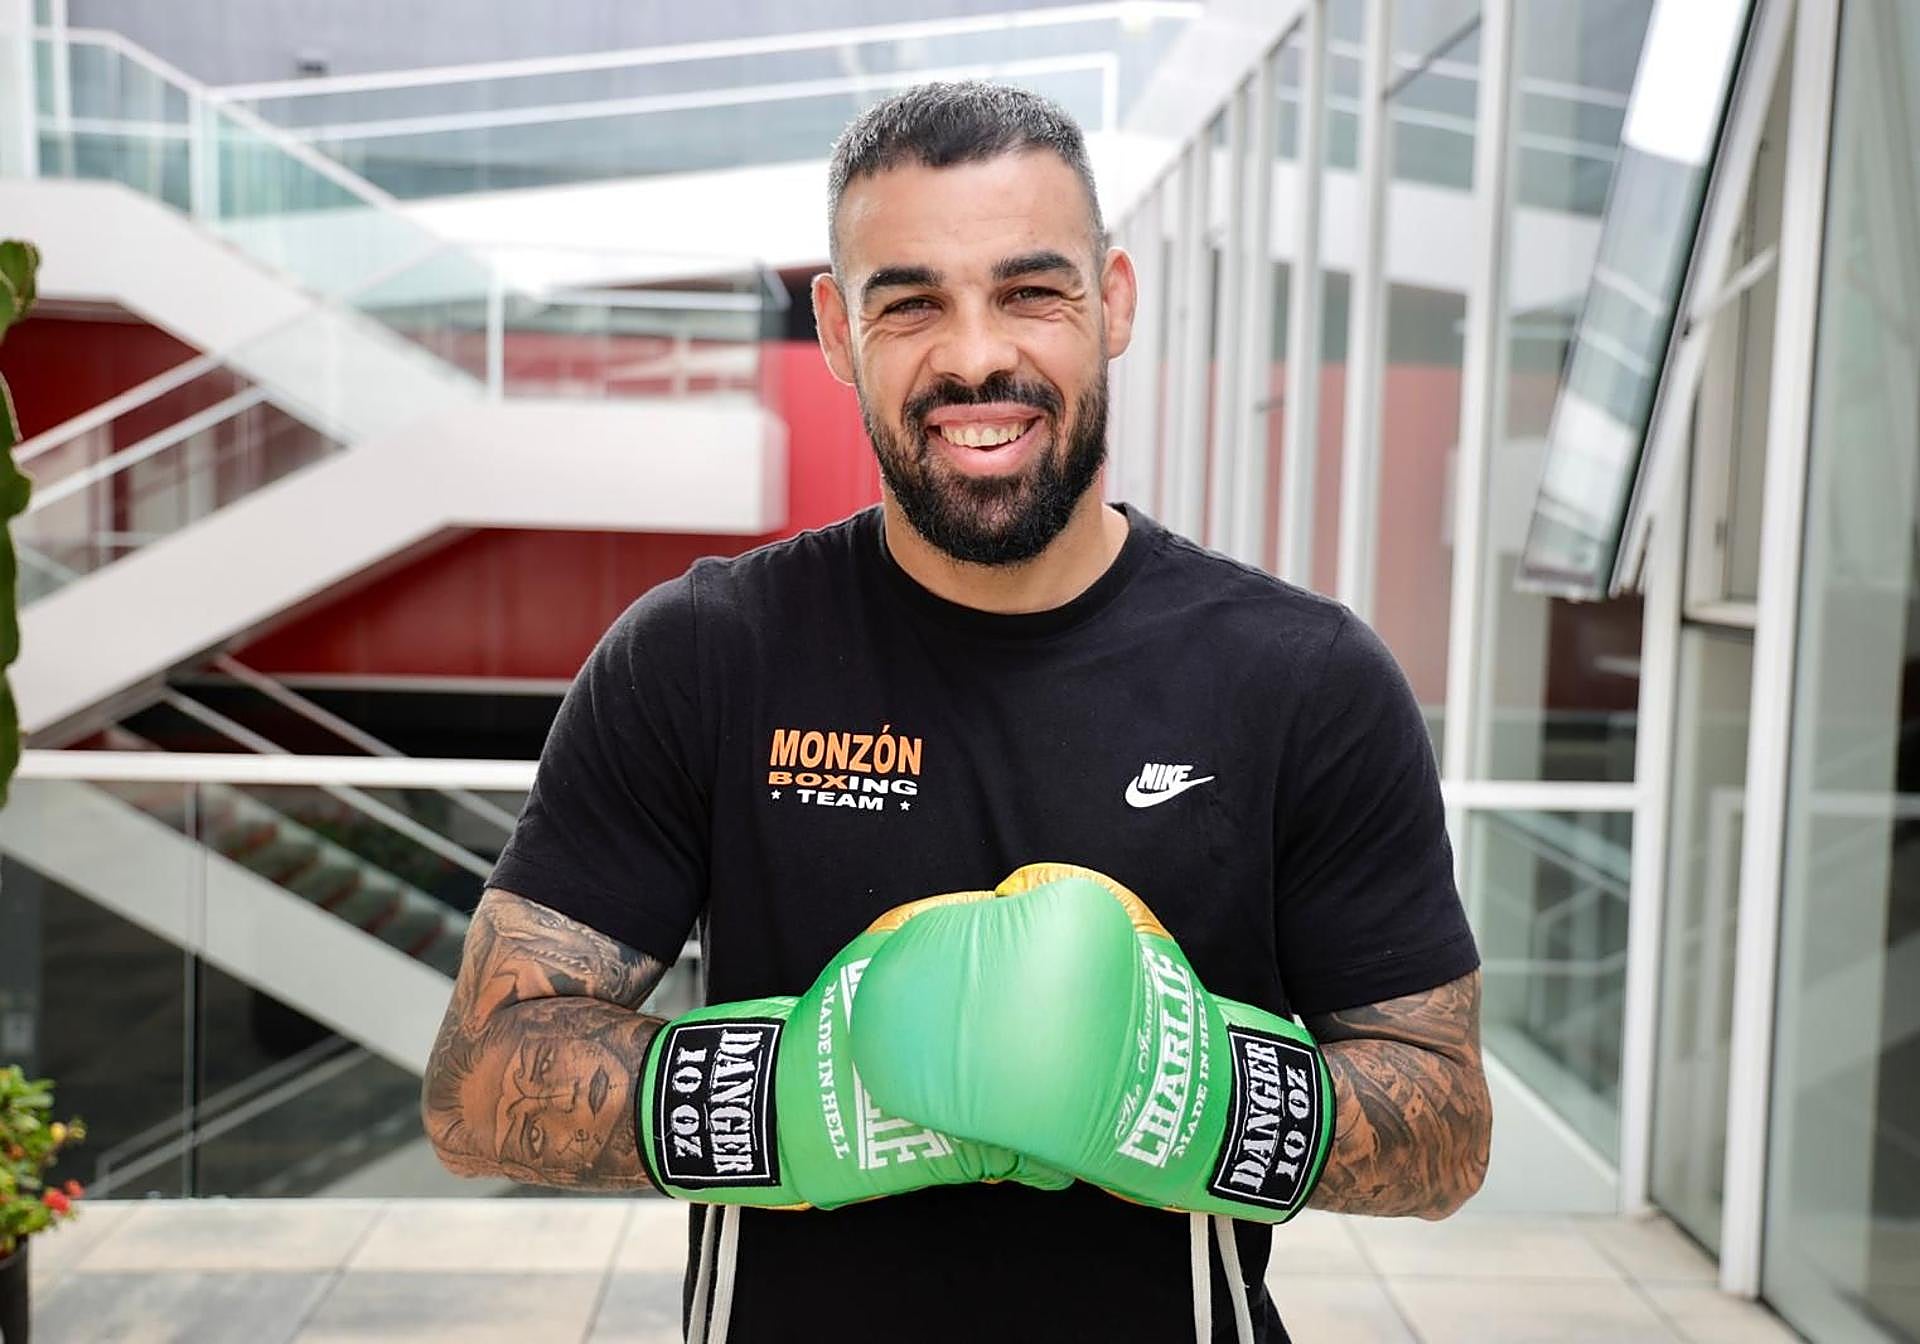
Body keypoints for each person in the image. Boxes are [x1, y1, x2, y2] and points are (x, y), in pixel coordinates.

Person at [421, 82, 1491, 1344]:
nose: (976, 356)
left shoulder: (1303, 678)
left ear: (1115, 303)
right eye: (912, 302)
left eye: (1031, 291)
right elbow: (478, 1087)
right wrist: (797, 1097)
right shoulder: (703, 655)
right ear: (838, 330)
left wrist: (1192, 1097)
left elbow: (1445, 1124)